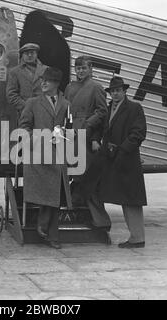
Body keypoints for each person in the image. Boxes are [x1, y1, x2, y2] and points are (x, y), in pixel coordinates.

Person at [86, 76, 147, 248]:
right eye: (113, 91)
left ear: (124, 91)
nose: (115, 93)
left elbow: (139, 132)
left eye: (118, 90)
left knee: (131, 199)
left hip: (127, 160)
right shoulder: (108, 108)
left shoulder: (134, 108)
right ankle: (135, 236)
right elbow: (100, 128)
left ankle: (137, 238)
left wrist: (123, 148)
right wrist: (95, 139)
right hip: (112, 159)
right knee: (123, 197)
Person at [18, 67, 71, 249]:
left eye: (47, 81)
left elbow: (69, 127)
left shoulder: (65, 104)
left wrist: (63, 133)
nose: (43, 83)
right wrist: (38, 138)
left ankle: (52, 235)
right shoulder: (32, 102)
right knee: (45, 192)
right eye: (42, 80)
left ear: (56, 84)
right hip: (37, 154)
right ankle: (43, 223)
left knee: (55, 194)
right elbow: (23, 126)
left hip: (57, 154)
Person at [64, 56, 111, 239]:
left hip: (86, 136)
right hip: (70, 136)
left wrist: (88, 126)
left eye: (84, 68)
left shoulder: (96, 87)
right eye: (78, 68)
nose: (80, 71)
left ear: (91, 69)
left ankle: (99, 220)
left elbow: (102, 112)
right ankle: (74, 210)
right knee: (71, 173)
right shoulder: (70, 87)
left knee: (86, 176)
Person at [6, 43, 48, 118]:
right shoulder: (15, 72)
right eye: (26, 53)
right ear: (22, 55)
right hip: (24, 113)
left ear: (36, 54)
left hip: (44, 112)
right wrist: (26, 107)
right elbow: (11, 94)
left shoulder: (47, 70)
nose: (29, 55)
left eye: (32, 53)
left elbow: (52, 91)